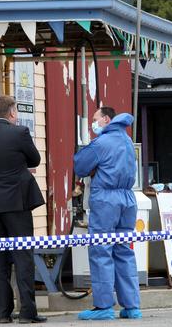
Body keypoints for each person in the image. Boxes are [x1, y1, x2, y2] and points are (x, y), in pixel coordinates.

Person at [0, 95, 47, 324]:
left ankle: (3, 313)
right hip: (16, 203)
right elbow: (34, 159)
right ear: (12, 113)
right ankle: (27, 312)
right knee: (23, 256)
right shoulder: (19, 133)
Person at [73, 107, 142, 320]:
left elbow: (81, 166)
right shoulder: (128, 141)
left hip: (105, 200)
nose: (93, 124)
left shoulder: (102, 142)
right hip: (128, 199)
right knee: (124, 251)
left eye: (95, 119)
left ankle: (103, 307)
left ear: (105, 119)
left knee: (101, 251)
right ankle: (131, 306)